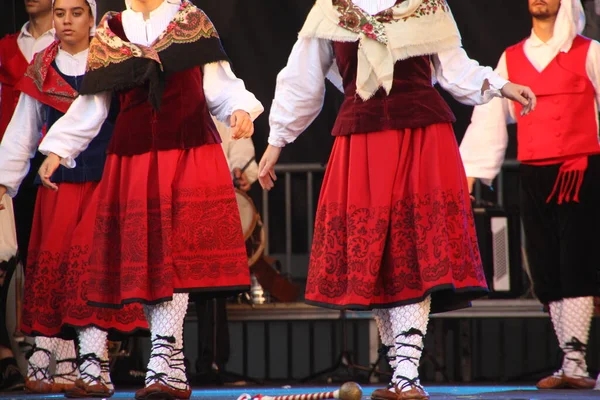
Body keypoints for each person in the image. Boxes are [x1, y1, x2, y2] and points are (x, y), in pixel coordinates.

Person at [258, 0, 536, 398]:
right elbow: (301, 79)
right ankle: (399, 372)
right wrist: (276, 141)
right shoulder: (332, 10)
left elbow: (455, 69)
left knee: (414, 248)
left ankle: (407, 375)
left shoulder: (427, 6)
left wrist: (501, 85)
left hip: (420, 135)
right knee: (379, 254)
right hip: (363, 139)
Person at [36, 0, 263, 398]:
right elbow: (94, 103)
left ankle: (162, 356)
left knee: (174, 258)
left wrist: (240, 110)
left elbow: (221, 86)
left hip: (187, 153)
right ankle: (170, 363)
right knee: (147, 261)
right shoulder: (113, 31)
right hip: (135, 160)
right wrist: (58, 148)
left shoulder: (190, 21)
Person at [0, 0, 150, 396]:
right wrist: (3, 180)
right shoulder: (43, 67)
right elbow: (23, 128)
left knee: (91, 269)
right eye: (61, 12)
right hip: (59, 187)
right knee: (55, 264)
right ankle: (51, 355)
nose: (67, 21)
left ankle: (93, 362)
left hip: (104, 181)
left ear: (93, 16)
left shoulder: (111, 59)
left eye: (77, 12)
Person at [460, 0, 598, 391]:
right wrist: (468, 176)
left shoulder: (590, 53)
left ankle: (576, 361)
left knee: (578, 262)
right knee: (544, 265)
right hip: (535, 174)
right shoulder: (511, 59)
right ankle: (570, 359)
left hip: (581, 173)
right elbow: (488, 118)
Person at [0, 0, 55, 391]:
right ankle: (5, 355)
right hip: (8, 156)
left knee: (46, 253)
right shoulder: (5, 47)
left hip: (55, 157)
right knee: (4, 259)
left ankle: (52, 350)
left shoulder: (70, 39)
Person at [193, 116, 258, 382]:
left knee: (213, 287)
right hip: (175, 198)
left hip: (211, 202)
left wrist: (241, 172)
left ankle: (212, 362)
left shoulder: (220, 102)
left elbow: (240, 154)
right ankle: (166, 362)